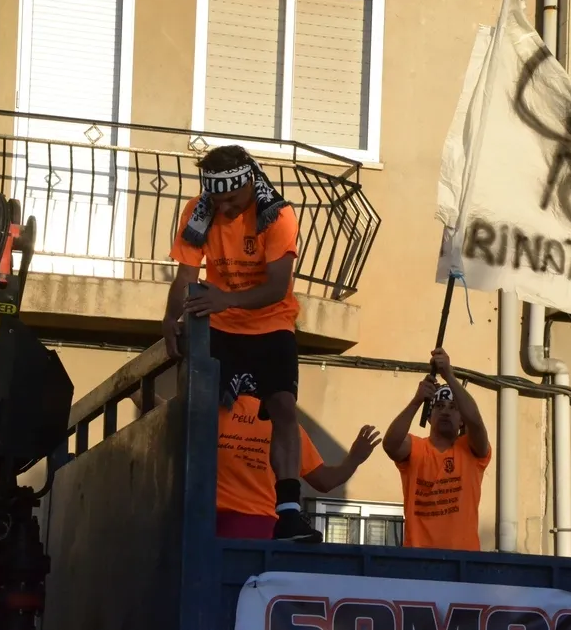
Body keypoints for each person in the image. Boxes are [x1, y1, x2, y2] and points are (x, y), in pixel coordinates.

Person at [163, 144, 318, 541]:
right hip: (219, 325)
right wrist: (169, 319)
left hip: (271, 323)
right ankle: (193, 500)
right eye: (218, 201)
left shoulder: (277, 215)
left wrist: (227, 299)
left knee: (283, 406)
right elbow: (185, 277)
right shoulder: (198, 211)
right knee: (203, 411)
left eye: (232, 199)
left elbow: (277, 287)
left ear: (249, 184)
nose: (225, 208)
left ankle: (288, 512)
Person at [129, 392, 381, 540]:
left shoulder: (209, 413)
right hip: (264, 530)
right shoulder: (285, 428)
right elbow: (325, 481)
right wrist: (354, 458)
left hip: (206, 527)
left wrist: (134, 388)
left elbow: (161, 408)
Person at [381, 348, 492, 551]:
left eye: (453, 407)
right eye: (439, 406)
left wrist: (449, 375)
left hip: (464, 559)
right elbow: (390, 445)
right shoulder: (416, 448)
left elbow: (476, 422)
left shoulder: (470, 450)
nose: (446, 412)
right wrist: (417, 400)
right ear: (429, 416)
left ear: (462, 420)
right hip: (418, 558)